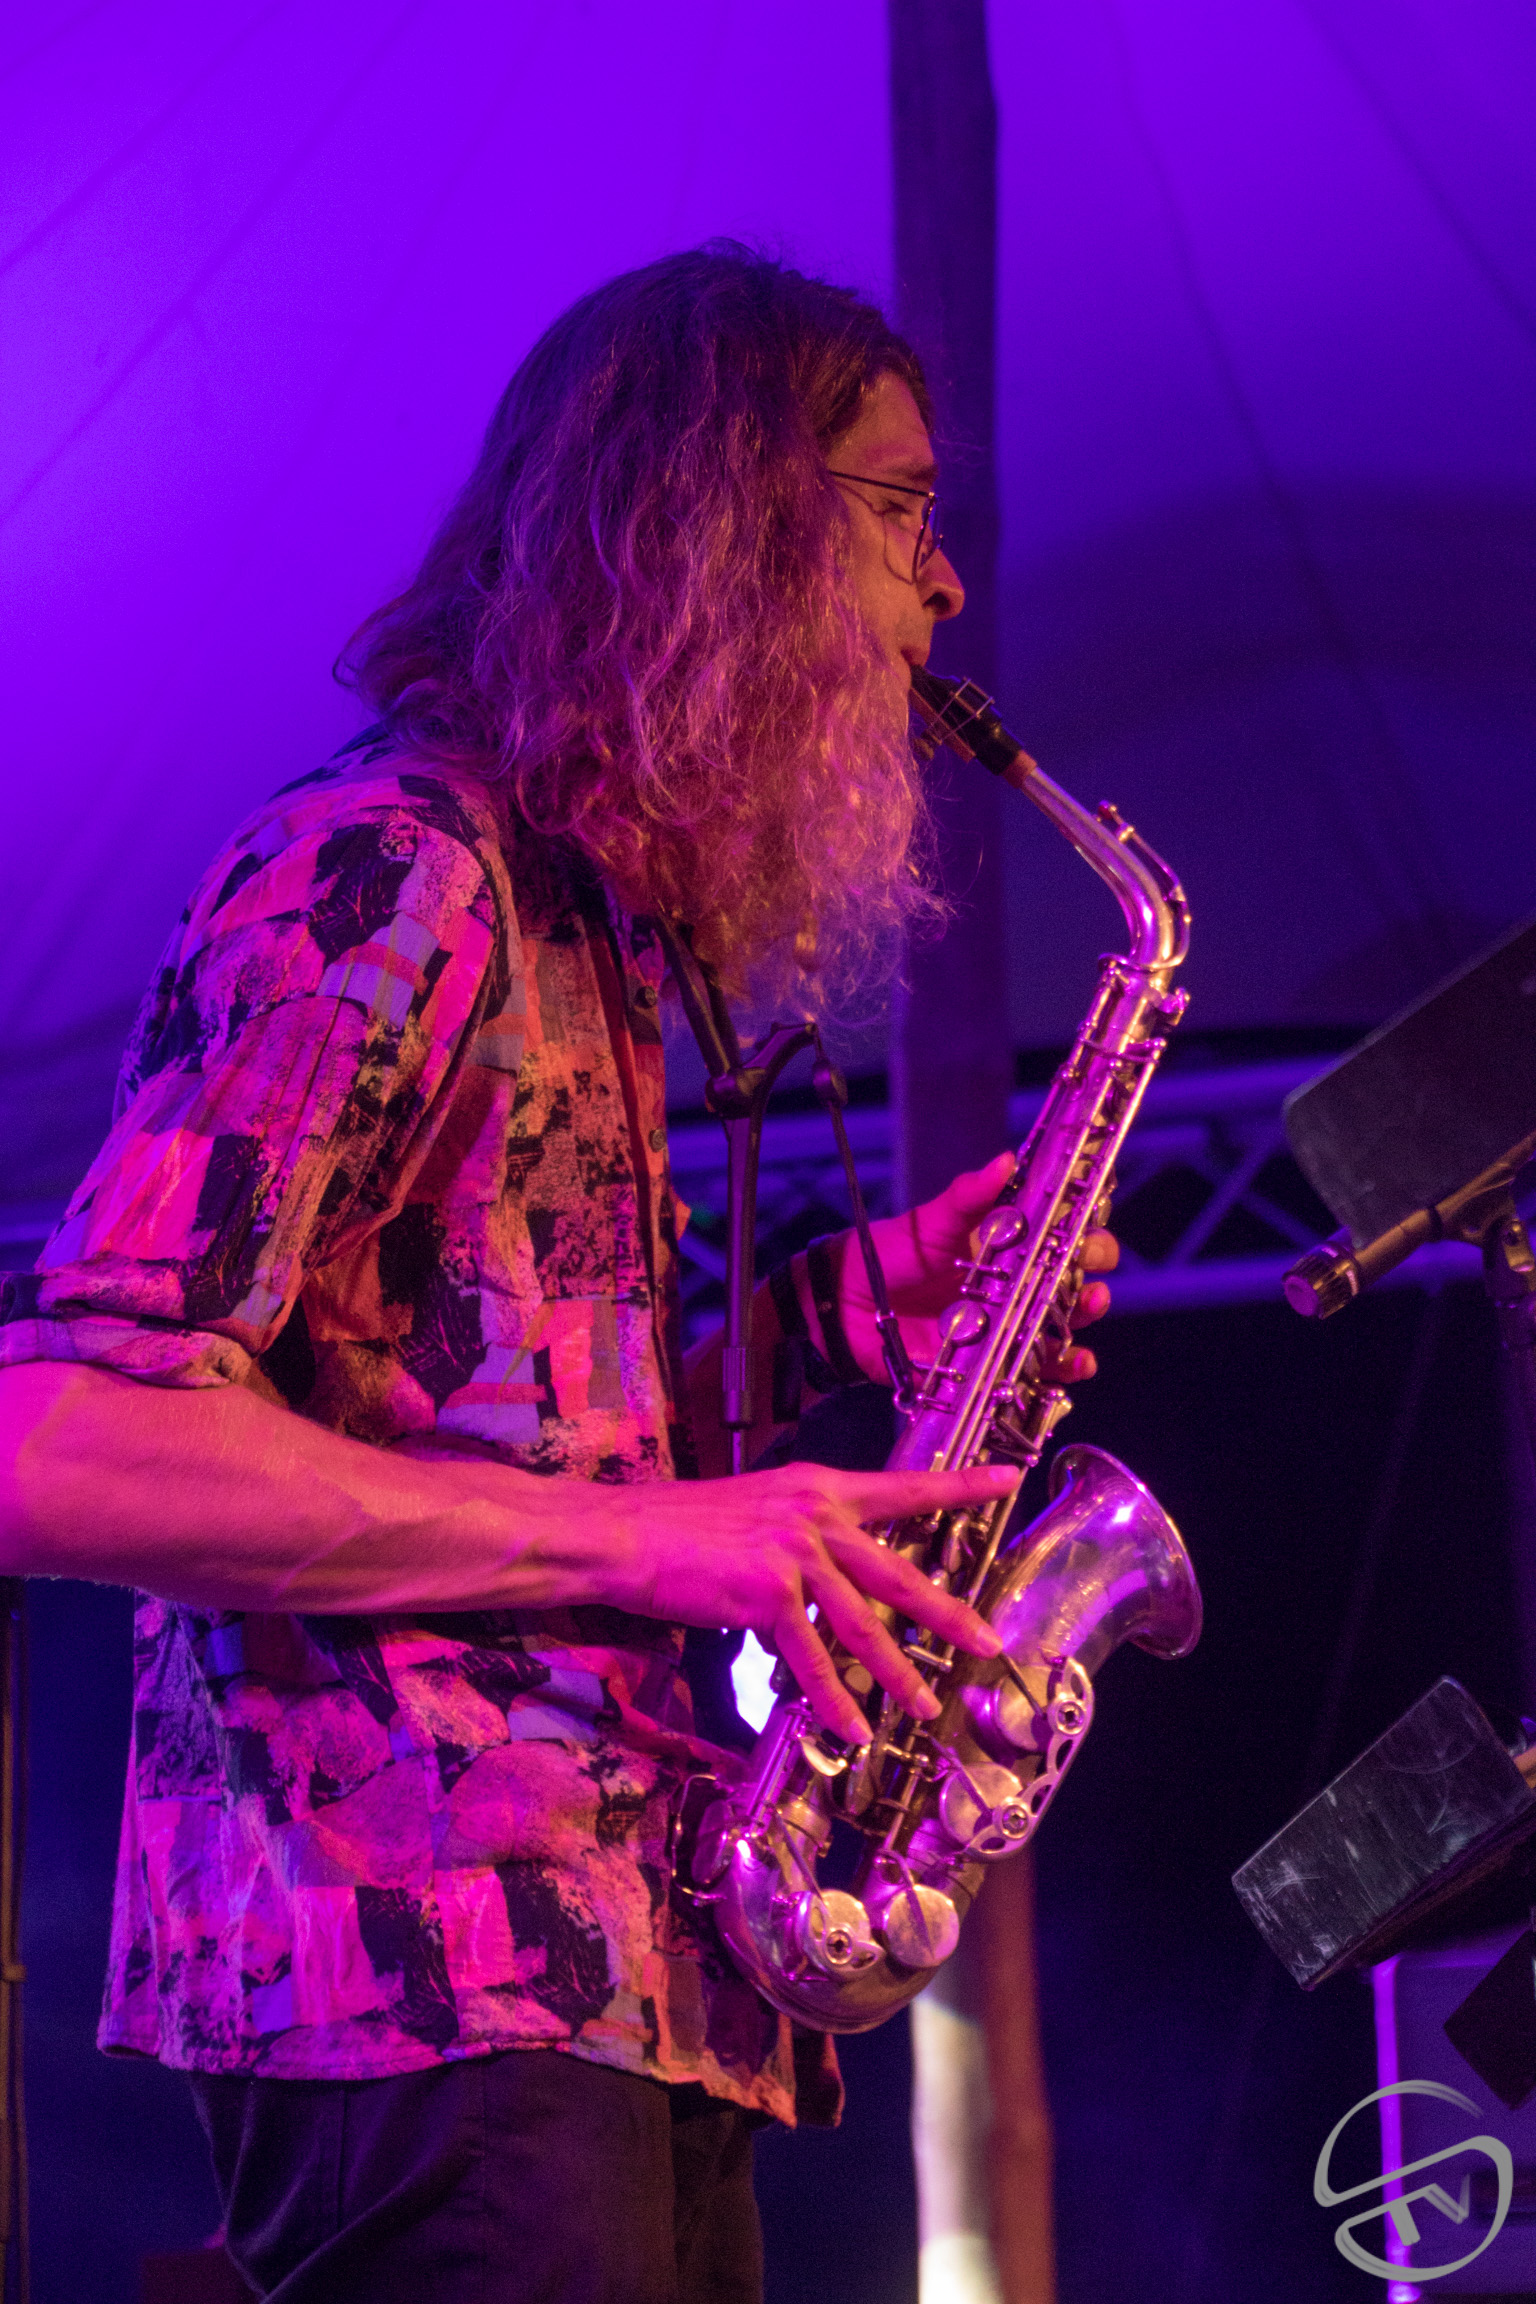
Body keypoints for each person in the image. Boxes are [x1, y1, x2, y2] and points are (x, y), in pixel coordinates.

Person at [0, 248, 1112, 2302]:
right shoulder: (385, 867)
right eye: (898, 510)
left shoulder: (573, 914)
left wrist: (833, 1316)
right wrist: (671, 1543)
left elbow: (475, 1414)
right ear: (721, 533)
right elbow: (59, 1443)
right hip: (417, 1953)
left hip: (621, 1958)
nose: (945, 587)